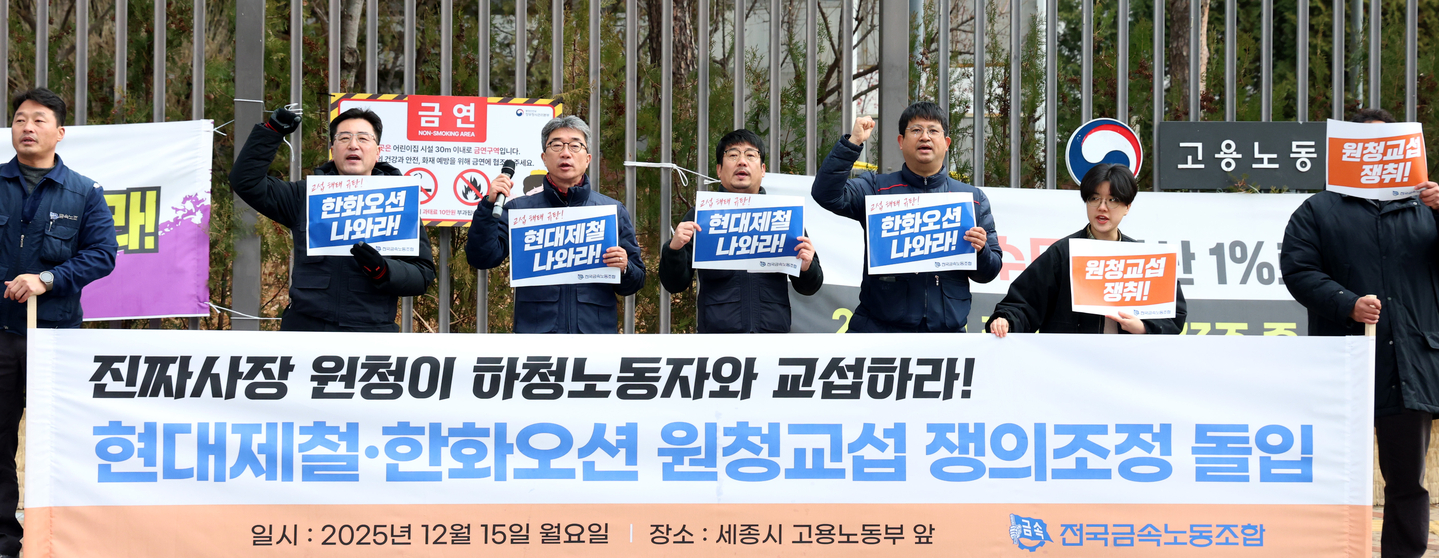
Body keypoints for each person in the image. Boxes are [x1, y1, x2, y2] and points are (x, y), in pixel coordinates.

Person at [1280, 107, 1439, 558]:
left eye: (1385, 143)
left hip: (1409, 364)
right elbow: (1298, 270)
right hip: (1342, 361)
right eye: (1365, 144)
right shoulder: (1318, 209)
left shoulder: (1425, 207)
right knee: (1330, 475)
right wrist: (1347, 303)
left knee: (1407, 481)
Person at [0, 88, 118, 558]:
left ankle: (58, 537)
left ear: (60, 133)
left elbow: (102, 255)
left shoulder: (84, 192)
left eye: (39, 120)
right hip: (1, 335)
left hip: (55, 339)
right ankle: (6, 539)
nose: (28, 127)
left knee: (57, 440)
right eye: (20, 119)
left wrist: (48, 278)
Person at [229, 106, 435, 331]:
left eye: (363, 138)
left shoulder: (400, 201)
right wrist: (272, 130)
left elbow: (422, 274)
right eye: (344, 138)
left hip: (371, 332)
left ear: (378, 151)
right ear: (333, 149)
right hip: (305, 330)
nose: (353, 145)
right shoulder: (305, 196)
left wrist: (384, 270)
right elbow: (245, 182)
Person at [811, 101, 1002, 332]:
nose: (925, 137)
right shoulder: (876, 189)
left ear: (947, 143)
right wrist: (853, 142)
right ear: (901, 142)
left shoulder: (972, 198)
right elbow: (826, 194)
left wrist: (981, 251)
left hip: (945, 336)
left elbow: (989, 272)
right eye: (916, 130)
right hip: (878, 331)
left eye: (933, 130)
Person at [466, 115, 645, 333]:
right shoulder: (520, 210)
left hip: (594, 337)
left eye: (575, 146)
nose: (566, 153)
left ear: (587, 158)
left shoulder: (611, 210)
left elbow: (635, 282)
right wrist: (488, 205)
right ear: (544, 157)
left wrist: (624, 266)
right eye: (557, 145)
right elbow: (482, 257)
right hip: (537, 336)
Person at [985, 163, 1186, 337]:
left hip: (1127, 368)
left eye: (1113, 200)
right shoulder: (1064, 253)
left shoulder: (1143, 259)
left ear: (1128, 206)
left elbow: (1173, 317)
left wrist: (1143, 327)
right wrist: (1006, 320)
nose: (1102, 207)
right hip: (1072, 366)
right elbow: (1024, 302)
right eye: (1094, 199)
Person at [658, 129, 823, 332]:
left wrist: (807, 266)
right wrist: (674, 249)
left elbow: (810, 287)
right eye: (733, 155)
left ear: (763, 170)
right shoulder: (702, 215)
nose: (742, 162)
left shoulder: (782, 215)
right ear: (719, 169)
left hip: (772, 336)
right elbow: (674, 284)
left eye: (750, 155)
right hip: (718, 339)